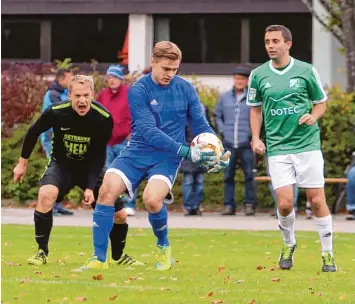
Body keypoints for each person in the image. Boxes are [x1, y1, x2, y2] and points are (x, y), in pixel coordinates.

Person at [83, 41, 231, 271]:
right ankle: (98, 259)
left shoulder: (186, 89)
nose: (170, 74)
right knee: (105, 192)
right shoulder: (138, 90)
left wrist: (217, 151)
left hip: (167, 157)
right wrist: (187, 151)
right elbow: (149, 131)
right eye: (165, 68)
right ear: (153, 62)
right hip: (137, 151)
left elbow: (201, 125)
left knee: (152, 200)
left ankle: (164, 247)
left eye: (175, 69)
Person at [13, 75, 142, 268]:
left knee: (120, 215)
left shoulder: (103, 117)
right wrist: (22, 164)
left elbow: (99, 155)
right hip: (61, 165)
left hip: (91, 167)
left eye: (86, 95)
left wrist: (90, 187)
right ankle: (41, 251)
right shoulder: (57, 112)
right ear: (69, 95)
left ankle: (118, 256)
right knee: (45, 195)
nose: (82, 100)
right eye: (77, 96)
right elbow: (33, 131)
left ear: (92, 95)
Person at [247, 25, 336, 272]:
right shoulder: (258, 75)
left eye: (275, 41)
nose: (270, 45)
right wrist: (256, 138)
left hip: (307, 144)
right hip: (277, 147)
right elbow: (255, 109)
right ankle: (288, 244)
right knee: (285, 204)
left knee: (317, 201)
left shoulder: (306, 71)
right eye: (267, 41)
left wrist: (313, 116)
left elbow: (321, 103)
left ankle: (327, 254)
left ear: (288, 44)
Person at [214, 67, 256, 216]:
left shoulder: (253, 98)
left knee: (249, 176)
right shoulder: (224, 97)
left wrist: (252, 135)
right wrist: (223, 130)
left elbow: (259, 116)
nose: (240, 81)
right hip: (228, 143)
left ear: (247, 81)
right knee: (228, 176)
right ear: (234, 79)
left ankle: (250, 205)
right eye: (237, 78)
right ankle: (228, 206)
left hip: (246, 143)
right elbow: (217, 115)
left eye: (243, 79)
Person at [97, 64, 137, 216]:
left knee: (127, 173)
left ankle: (129, 203)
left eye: (115, 77)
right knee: (107, 174)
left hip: (124, 141)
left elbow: (139, 115)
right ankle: (111, 203)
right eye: (109, 77)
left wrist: (133, 133)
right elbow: (97, 114)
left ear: (121, 79)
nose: (112, 80)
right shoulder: (103, 95)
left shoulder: (130, 94)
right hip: (107, 142)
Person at [40, 68, 74, 216]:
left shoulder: (62, 93)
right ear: (61, 79)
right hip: (52, 140)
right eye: (69, 78)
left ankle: (57, 204)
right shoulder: (53, 95)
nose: (71, 81)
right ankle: (49, 206)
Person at [181, 101, 213, 216]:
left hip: (202, 150)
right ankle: (188, 206)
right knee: (188, 180)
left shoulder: (204, 109)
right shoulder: (182, 111)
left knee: (199, 181)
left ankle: (196, 206)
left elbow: (210, 130)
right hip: (188, 149)